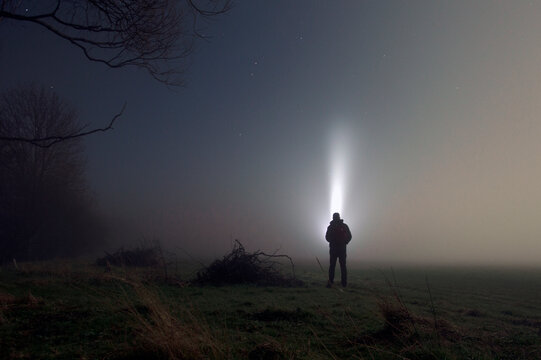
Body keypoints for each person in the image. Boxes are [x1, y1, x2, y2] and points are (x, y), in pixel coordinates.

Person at [325, 212, 352, 288]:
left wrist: (332, 241)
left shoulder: (330, 227)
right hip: (342, 249)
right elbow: (350, 236)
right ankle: (344, 283)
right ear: (339, 217)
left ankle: (330, 282)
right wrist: (345, 242)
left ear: (333, 218)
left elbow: (327, 237)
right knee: (343, 266)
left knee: (332, 266)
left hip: (333, 249)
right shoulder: (344, 226)